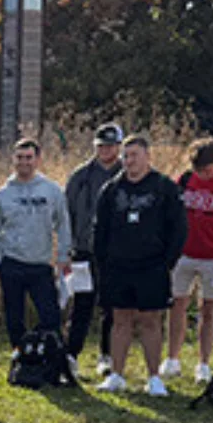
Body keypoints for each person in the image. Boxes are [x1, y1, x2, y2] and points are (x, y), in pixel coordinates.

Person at [91, 134, 189, 395]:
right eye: (125, 156)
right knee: (119, 320)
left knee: (151, 321)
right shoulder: (111, 190)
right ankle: (117, 375)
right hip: (117, 266)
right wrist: (104, 262)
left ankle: (154, 378)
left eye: (134, 155)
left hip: (152, 267)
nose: (128, 161)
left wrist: (166, 262)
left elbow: (178, 230)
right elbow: (99, 231)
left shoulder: (165, 188)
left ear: (148, 157)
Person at [0, 137, 73, 375]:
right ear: (13, 160)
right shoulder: (2, 195)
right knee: (14, 317)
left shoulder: (52, 190)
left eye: (29, 157)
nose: (24, 162)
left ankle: (47, 355)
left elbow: (63, 224)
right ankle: (20, 356)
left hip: (41, 265)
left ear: (37, 160)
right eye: (19, 157)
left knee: (50, 315)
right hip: (12, 264)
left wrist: (63, 255)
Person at [166, 138, 213, 385]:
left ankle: (204, 363)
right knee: (177, 303)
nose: (204, 176)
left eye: (208, 170)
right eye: (200, 171)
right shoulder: (185, 181)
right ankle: (172, 358)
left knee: (209, 309)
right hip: (183, 254)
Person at [64, 124, 124, 374]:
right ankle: (71, 355)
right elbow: (66, 213)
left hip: (116, 254)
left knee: (111, 306)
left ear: (118, 147)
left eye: (110, 145)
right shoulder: (81, 176)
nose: (105, 150)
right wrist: (67, 249)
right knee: (82, 305)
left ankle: (107, 356)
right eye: (101, 145)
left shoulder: (128, 174)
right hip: (84, 251)